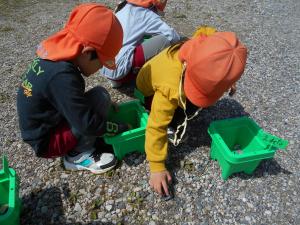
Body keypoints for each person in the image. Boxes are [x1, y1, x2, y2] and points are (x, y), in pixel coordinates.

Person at [17, 3, 129, 174]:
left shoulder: (55, 58)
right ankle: (77, 155)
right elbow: (86, 124)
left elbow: (65, 98)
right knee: (93, 111)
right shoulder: (62, 76)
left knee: (101, 96)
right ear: (86, 52)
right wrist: (117, 128)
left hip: (49, 124)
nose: (100, 68)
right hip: (48, 141)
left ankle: (77, 145)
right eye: (101, 62)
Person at [135, 28, 247, 196]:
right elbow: (155, 126)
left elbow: (209, 33)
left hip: (165, 72)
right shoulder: (170, 87)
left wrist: (225, 76)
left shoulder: (203, 45)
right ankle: (172, 123)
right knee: (178, 111)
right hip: (148, 91)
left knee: (194, 103)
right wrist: (157, 167)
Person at [100, 0, 181, 88]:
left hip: (103, 64)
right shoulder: (146, 14)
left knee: (130, 40)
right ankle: (148, 78)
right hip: (120, 71)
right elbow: (173, 37)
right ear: (153, 5)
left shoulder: (123, 6)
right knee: (164, 40)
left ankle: (115, 80)